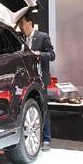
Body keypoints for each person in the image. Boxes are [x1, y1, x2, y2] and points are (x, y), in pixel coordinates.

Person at [18, 14, 55, 151]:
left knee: (43, 108)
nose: (21, 27)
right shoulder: (22, 39)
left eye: (22, 23)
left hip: (41, 78)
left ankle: (46, 140)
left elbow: (52, 55)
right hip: (28, 81)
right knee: (32, 108)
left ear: (30, 23)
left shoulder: (42, 36)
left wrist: (39, 54)